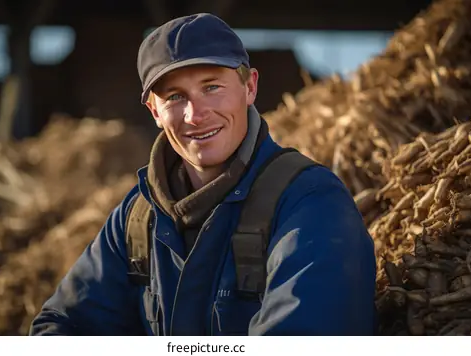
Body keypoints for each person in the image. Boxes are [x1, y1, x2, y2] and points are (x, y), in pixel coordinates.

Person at [29, 13, 377, 336]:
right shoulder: (137, 217)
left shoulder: (311, 203)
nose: (195, 115)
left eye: (212, 87)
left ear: (250, 87)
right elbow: (59, 327)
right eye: (176, 97)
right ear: (154, 111)